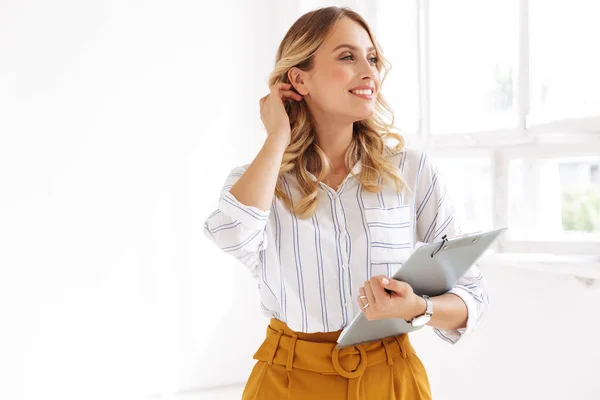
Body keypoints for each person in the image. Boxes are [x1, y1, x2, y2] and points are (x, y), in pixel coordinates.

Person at [203, 6, 490, 400]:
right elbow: (233, 235)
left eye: (371, 58)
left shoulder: (412, 170)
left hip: (391, 379)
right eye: (347, 57)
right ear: (299, 79)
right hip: (285, 381)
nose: (369, 71)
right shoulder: (259, 178)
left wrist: (416, 308)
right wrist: (276, 138)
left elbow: (471, 296)